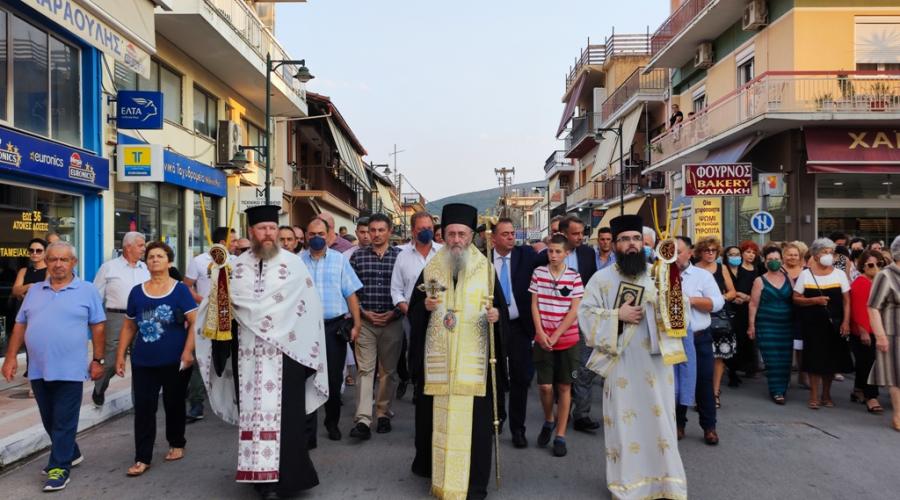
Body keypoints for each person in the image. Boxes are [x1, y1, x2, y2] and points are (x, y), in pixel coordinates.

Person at [195, 205, 328, 500]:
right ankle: (261, 479)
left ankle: (288, 479)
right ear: (251, 232)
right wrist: (218, 285)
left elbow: (309, 308)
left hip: (287, 355)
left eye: (272, 228)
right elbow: (217, 308)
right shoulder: (235, 267)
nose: (268, 233)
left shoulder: (293, 266)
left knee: (288, 421)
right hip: (248, 356)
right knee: (253, 416)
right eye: (262, 228)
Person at [577, 215, 687, 500]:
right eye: (624, 239)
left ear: (644, 243)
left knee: (660, 422)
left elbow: (681, 315)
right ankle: (628, 485)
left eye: (636, 238)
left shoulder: (660, 273)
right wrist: (618, 315)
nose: (631, 244)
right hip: (621, 363)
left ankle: (666, 484)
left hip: (656, 362)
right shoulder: (601, 279)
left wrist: (665, 302)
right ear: (615, 245)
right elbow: (585, 317)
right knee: (625, 426)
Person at [407, 202, 507, 499]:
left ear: (471, 235)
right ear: (443, 235)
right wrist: (423, 308)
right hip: (439, 364)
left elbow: (501, 310)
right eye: (451, 234)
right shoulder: (432, 268)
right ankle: (438, 476)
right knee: (436, 421)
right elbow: (414, 309)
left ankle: (474, 484)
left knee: (475, 426)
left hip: (472, 367)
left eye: (462, 234)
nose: (456, 240)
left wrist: (496, 317)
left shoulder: (485, 269)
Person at [2, 241, 105, 492]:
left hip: (70, 369)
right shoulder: (34, 291)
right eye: (53, 259)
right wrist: (11, 357)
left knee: (63, 420)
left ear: (73, 263)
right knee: (49, 418)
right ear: (46, 262)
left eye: (64, 259)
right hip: (38, 368)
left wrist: (98, 360)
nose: (58, 264)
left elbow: (98, 326)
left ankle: (59, 467)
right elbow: (20, 324)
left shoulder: (87, 290)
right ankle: (72, 452)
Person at [114, 242, 197, 476]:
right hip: (143, 360)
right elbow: (129, 325)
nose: (155, 260)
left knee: (174, 404)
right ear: (146, 262)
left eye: (160, 256)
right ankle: (142, 457)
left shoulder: (180, 290)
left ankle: (177, 442)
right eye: (151, 256)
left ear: (169, 262)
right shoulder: (137, 292)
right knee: (143, 409)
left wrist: (188, 351)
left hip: (175, 360)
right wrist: (120, 355)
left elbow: (194, 321)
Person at [300, 217, 363, 441]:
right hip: (305, 328)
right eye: (312, 234)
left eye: (320, 234)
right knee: (307, 377)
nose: (316, 238)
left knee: (334, 379)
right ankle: (308, 431)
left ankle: (332, 422)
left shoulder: (339, 260)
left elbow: (350, 293)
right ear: (306, 236)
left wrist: (357, 324)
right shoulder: (297, 262)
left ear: (328, 235)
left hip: (333, 327)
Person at [539, 215, 599, 432]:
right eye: (575, 234)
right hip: (554, 322)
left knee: (584, 367)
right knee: (560, 370)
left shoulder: (587, 253)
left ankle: (581, 414)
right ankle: (559, 409)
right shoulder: (545, 257)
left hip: (582, 319)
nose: (580, 237)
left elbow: (593, 283)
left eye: (582, 233)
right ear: (564, 234)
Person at [349, 213, 403, 438]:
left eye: (381, 230)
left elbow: (406, 289)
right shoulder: (357, 257)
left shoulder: (401, 257)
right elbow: (350, 290)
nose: (377, 234)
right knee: (365, 370)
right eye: (373, 230)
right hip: (366, 323)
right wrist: (362, 312)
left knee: (388, 371)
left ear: (390, 231)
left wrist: (395, 312)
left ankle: (382, 414)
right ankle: (363, 419)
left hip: (393, 321)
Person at [530, 233, 583, 457]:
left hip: (567, 339)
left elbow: (574, 310)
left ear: (566, 254)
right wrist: (540, 332)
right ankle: (549, 419)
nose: (553, 255)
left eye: (558, 251)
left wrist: (557, 334)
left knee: (564, 387)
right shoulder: (538, 273)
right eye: (550, 251)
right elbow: (534, 305)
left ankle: (560, 435)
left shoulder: (574, 276)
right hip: (543, 338)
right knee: (545, 387)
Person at [491, 217, 538, 448]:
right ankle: (497, 417)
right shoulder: (483, 261)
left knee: (520, 378)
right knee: (495, 375)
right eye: (505, 234)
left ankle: (518, 429)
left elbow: (550, 257)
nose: (511, 237)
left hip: (519, 326)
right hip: (492, 326)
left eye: (512, 233)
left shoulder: (526, 255)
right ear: (493, 238)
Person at [674, 237, 725, 445]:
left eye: (678, 251)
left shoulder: (702, 276)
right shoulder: (658, 275)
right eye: (670, 251)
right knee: (676, 384)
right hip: (673, 340)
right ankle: (678, 424)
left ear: (690, 253)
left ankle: (709, 427)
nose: (674, 256)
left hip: (698, 338)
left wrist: (690, 301)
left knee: (704, 382)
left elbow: (717, 303)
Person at [793, 238, 853, 410]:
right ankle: (813, 395)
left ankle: (826, 394)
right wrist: (814, 300)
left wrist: (846, 322)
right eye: (824, 252)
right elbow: (796, 298)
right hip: (812, 325)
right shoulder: (806, 274)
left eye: (831, 252)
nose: (828, 255)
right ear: (815, 255)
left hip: (834, 324)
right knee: (814, 359)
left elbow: (847, 301)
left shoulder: (839, 274)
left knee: (831, 360)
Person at [183, 227, 235, 422]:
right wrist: (202, 300)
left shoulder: (235, 261)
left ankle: (231, 399)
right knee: (200, 358)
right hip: (204, 317)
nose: (236, 244)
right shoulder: (199, 261)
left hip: (229, 318)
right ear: (223, 242)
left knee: (229, 358)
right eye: (233, 240)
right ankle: (196, 403)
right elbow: (186, 285)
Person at [92, 232, 150, 407]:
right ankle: (99, 388)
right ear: (128, 247)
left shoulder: (146, 268)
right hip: (116, 317)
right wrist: (96, 322)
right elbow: (95, 296)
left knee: (141, 361)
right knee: (111, 360)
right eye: (140, 245)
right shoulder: (108, 268)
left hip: (142, 317)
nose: (144, 249)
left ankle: (138, 402)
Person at [391, 212, 441, 402]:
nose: (426, 232)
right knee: (416, 351)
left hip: (440, 315)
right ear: (413, 231)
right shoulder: (402, 257)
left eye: (429, 228)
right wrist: (409, 310)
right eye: (421, 229)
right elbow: (396, 290)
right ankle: (417, 386)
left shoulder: (443, 253)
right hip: (411, 316)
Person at [747, 247, 795, 404]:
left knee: (785, 358)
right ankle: (777, 391)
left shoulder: (788, 279)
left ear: (781, 260)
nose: (774, 262)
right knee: (772, 358)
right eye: (770, 259)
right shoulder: (759, 281)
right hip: (766, 324)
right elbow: (753, 304)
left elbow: (795, 299)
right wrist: (751, 326)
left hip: (786, 324)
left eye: (776, 259)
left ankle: (783, 387)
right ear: (765, 262)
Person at [693, 237, 736, 408]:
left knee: (719, 357)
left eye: (714, 250)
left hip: (720, 317)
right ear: (700, 252)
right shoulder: (693, 269)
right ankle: (699, 395)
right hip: (698, 315)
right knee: (700, 358)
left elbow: (732, 292)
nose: (710, 253)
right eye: (707, 250)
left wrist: (717, 300)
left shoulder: (722, 268)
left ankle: (715, 393)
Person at [869, 236, 900, 431]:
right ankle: (898, 415)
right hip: (893, 333)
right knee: (896, 376)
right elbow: (873, 307)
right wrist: (880, 336)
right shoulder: (885, 275)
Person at [849, 250, 886, 413]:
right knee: (870, 364)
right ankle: (872, 397)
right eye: (871, 264)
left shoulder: (881, 281)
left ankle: (858, 390)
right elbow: (858, 309)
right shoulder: (861, 282)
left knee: (865, 362)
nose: (876, 267)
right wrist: (863, 331)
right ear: (863, 266)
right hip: (865, 330)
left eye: (879, 264)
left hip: (880, 328)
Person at [724, 242, 759, 386]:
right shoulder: (728, 269)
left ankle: (747, 367)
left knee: (746, 339)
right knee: (734, 338)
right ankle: (732, 370)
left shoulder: (755, 269)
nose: (750, 255)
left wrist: (747, 298)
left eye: (753, 252)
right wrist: (735, 296)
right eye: (748, 252)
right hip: (732, 308)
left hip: (747, 308)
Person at [784, 241, 809, 388]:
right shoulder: (779, 270)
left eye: (795, 255)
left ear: (800, 257)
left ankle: (802, 375)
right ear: (784, 256)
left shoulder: (806, 271)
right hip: (783, 312)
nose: (792, 257)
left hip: (802, 312)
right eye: (789, 254)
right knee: (785, 346)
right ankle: (785, 376)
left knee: (801, 346)